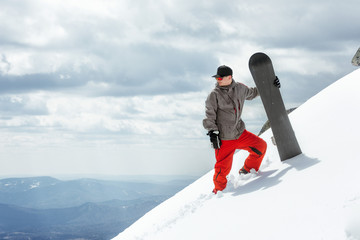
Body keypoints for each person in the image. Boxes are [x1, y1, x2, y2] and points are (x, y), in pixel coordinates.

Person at [203, 65, 267, 194]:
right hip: (225, 138)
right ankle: (218, 192)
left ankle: (247, 171)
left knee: (260, 146)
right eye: (217, 78)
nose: (218, 80)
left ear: (229, 77)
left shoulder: (240, 89)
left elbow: (253, 92)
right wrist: (213, 132)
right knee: (222, 169)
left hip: (240, 133)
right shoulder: (214, 95)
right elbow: (209, 115)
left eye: (220, 78)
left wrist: (270, 84)